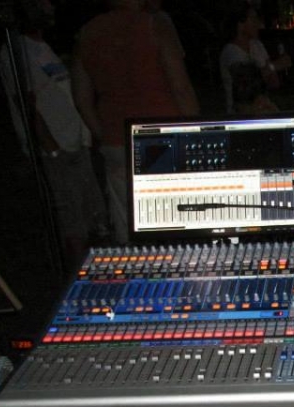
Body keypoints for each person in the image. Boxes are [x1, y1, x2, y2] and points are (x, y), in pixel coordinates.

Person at [72, 0, 199, 244]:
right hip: (164, 134)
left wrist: (104, 134)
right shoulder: (154, 25)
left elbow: (81, 98)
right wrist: (197, 131)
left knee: (128, 223)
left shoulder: (87, 33)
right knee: (175, 219)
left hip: (116, 139)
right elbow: (180, 87)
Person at [0, 0, 108, 270]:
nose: (49, 10)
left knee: (90, 210)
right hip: (56, 149)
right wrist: (51, 147)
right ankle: (75, 275)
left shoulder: (42, 47)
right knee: (70, 217)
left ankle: (95, 271)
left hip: (75, 142)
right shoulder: (16, 51)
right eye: (40, 6)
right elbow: (25, 102)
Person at [219, 3, 290, 114]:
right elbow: (247, 84)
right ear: (240, 24)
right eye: (253, 19)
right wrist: (273, 66)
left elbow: (274, 83)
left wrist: (267, 72)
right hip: (241, 113)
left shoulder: (256, 46)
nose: (258, 24)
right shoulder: (231, 52)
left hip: (262, 108)